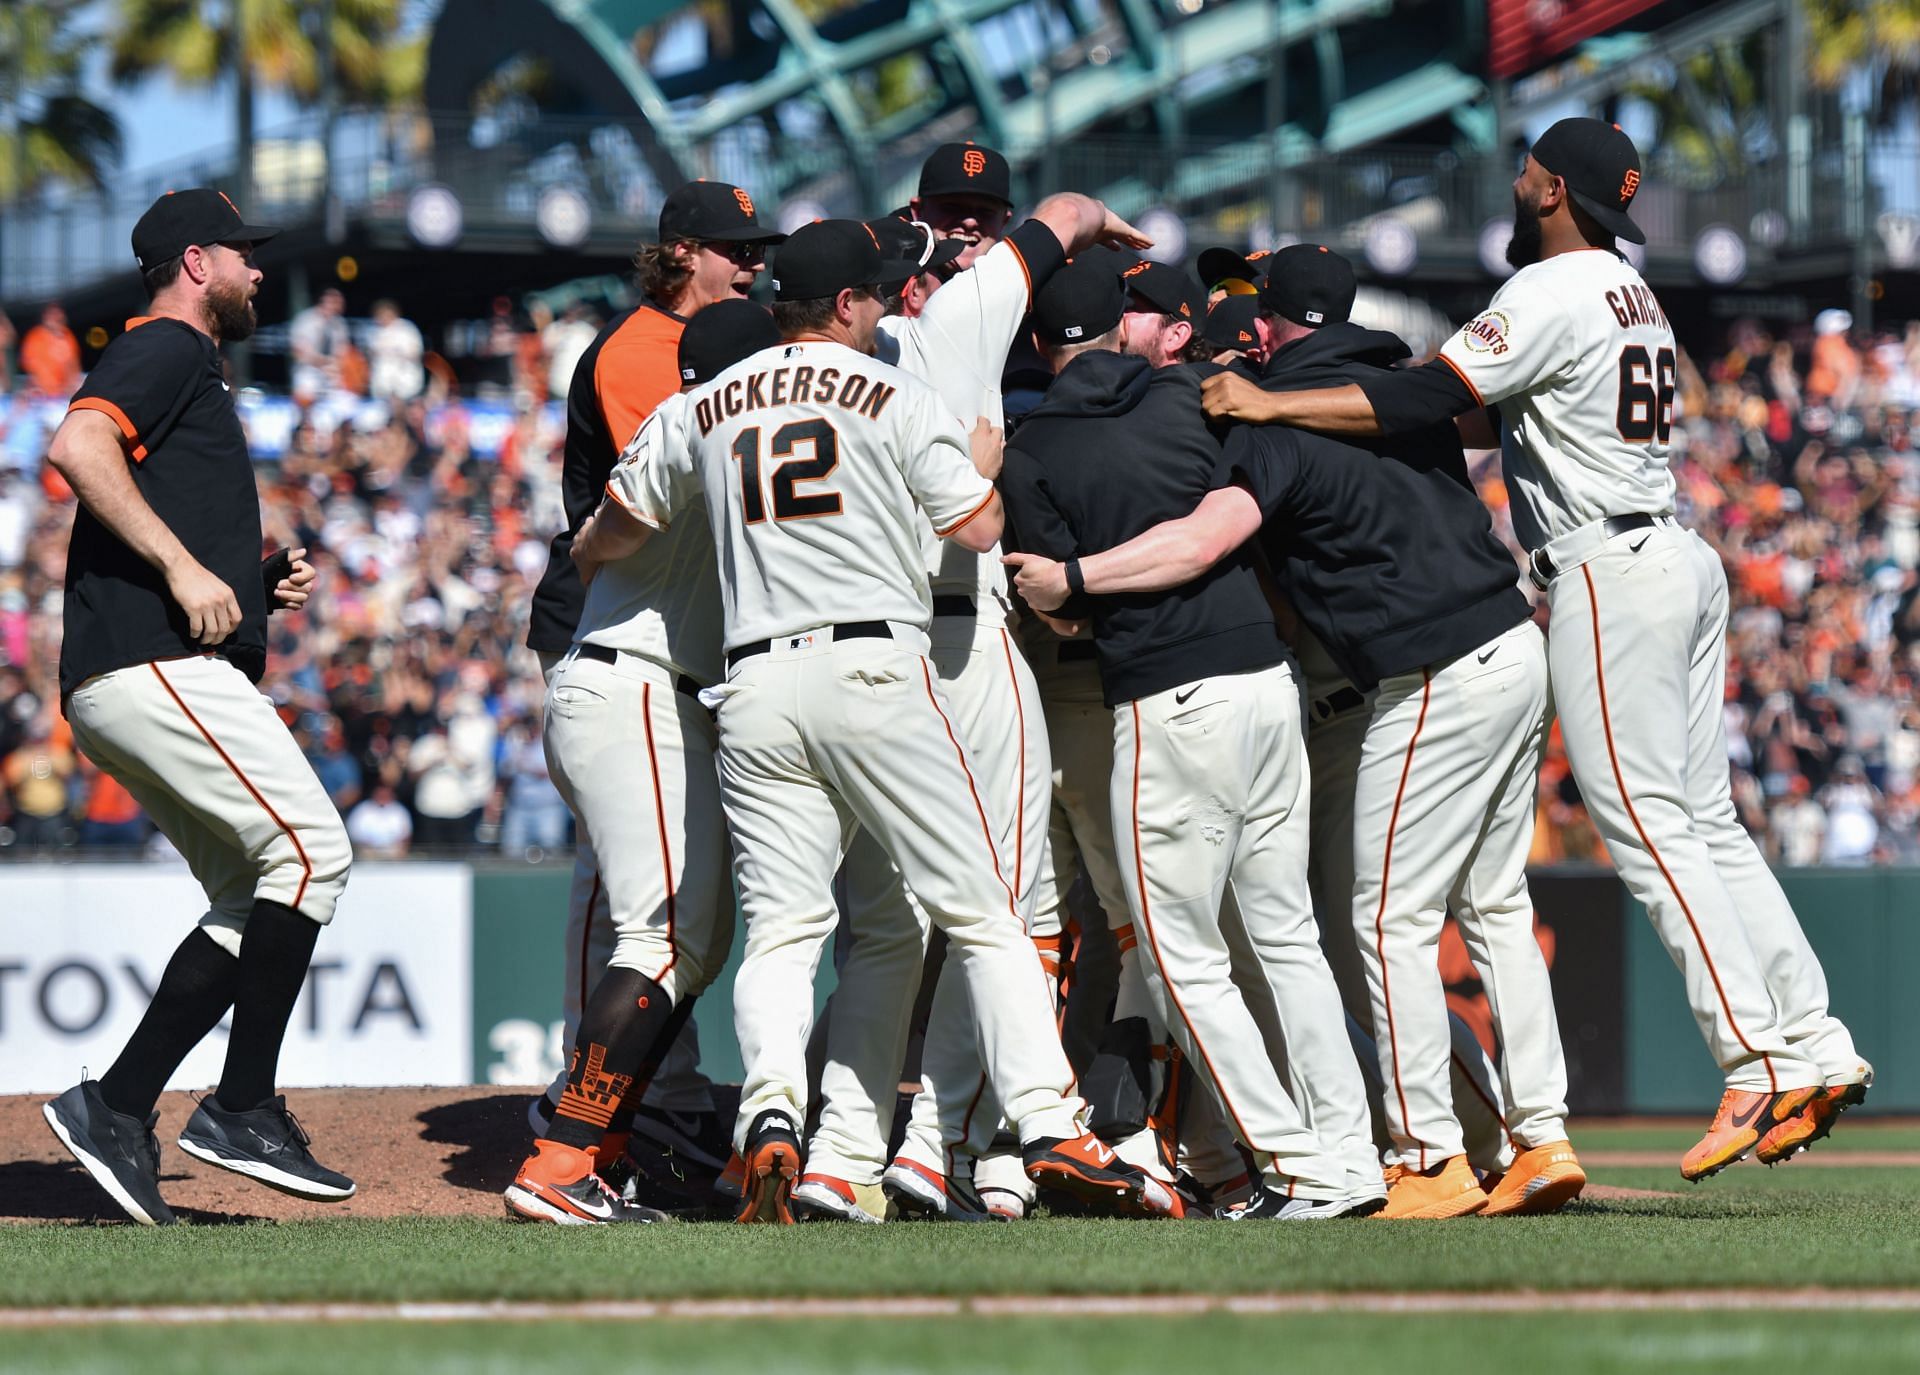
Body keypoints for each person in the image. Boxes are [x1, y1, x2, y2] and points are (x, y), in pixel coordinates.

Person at [1199, 118, 1873, 1178]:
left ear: (1553, 188)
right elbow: (1484, 420)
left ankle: (1758, 1059)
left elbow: (1433, 396)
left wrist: (1270, 401)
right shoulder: (1627, 289)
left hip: (1611, 569)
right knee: (1705, 823)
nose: (1516, 181)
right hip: (1675, 554)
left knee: (1648, 825)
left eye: (1527, 169)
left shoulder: (1549, 288)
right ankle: (1812, 1041)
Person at [612, 219, 1172, 1225]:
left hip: (754, 686)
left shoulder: (707, 403)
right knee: (983, 911)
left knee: (787, 931)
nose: (882, 308)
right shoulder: (891, 389)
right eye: (872, 296)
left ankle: (776, 1120)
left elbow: (604, 533)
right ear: (846, 306)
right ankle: (1050, 1123)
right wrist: (984, 460)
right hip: (873, 666)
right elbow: (980, 527)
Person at [1011, 244, 1584, 1218]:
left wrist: (1074, 581)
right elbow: (1428, 413)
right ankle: (1529, 1135)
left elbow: (1193, 543)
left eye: (1252, 318)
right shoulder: (1384, 389)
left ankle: (1396, 1158)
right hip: (1459, 659)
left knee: (1329, 928)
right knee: (1437, 913)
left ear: (1272, 330)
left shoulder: (1243, 416)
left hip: (1382, 680)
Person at [803, 156, 1153, 1224]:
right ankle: (948, 1135)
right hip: (955, 633)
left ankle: (830, 1148)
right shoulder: (959, 321)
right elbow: (1066, 214)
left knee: (887, 923)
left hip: (858, 651)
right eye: (945, 227)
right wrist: (1108, 231)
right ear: (899, 271)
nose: (961, 241)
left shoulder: (806, 365)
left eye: (977, 220)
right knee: (1011, 905)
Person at [998, 259, 1376, 1219]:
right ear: (1129, 331)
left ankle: (1298, 1164)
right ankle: (1349, 1151)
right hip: (1265, 678)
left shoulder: (1031, 442)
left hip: (1167, 699)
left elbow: (1061, 608)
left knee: (1177, 955)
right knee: (1286, 934)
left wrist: (1081, 587)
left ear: (1042, 346)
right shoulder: (1182, 396)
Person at [39, 187, 355, 1226]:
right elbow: (78, 447)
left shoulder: (188, 360)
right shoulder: (170, 345)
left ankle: (116, 1105)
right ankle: (241, 1106)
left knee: (254, 890)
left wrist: (245, 578)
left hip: (139, 662)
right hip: (153, 661)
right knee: (314, 852)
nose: (259, 269)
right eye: (244, 252)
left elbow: (133, 492)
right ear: (193, 261)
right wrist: (184, 569)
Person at [500, 301, 776, 1226]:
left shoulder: (681, 420)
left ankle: (602, 1145)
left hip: (633, 686)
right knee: (661, 939)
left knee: (693, 941)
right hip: (639, 687)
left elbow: (597, 536)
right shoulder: (714, 426)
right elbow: (599, 538)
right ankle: (560, 1154)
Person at [289, 288, 348, 403]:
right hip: (307, 370)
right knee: (305, 401)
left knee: (343, 401)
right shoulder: (306, 319)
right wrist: (322, 362)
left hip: (331, 373)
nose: (339, 305)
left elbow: (342, 350)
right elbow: (298, 351)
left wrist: (334, 365)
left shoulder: (339, 324)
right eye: (335, 301)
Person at [364, 299, 425, 404]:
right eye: (380, 315)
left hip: (405, 382)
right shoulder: (372, 332)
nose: (383, 318)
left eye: (386, 314)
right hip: (382, 385)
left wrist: (398, 354)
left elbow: (416, 353)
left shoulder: (407, 329)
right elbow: (369, 356)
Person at [20, 304, 82, 397]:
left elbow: (74, 363)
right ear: (45, 318)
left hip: (65, 391)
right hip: (43, 392)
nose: (57, 319)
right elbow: (31, 365)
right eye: (53, 316)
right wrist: (48, 387)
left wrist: (73, 383)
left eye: (59, 317)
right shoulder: (35, 336)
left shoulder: (67, 336)